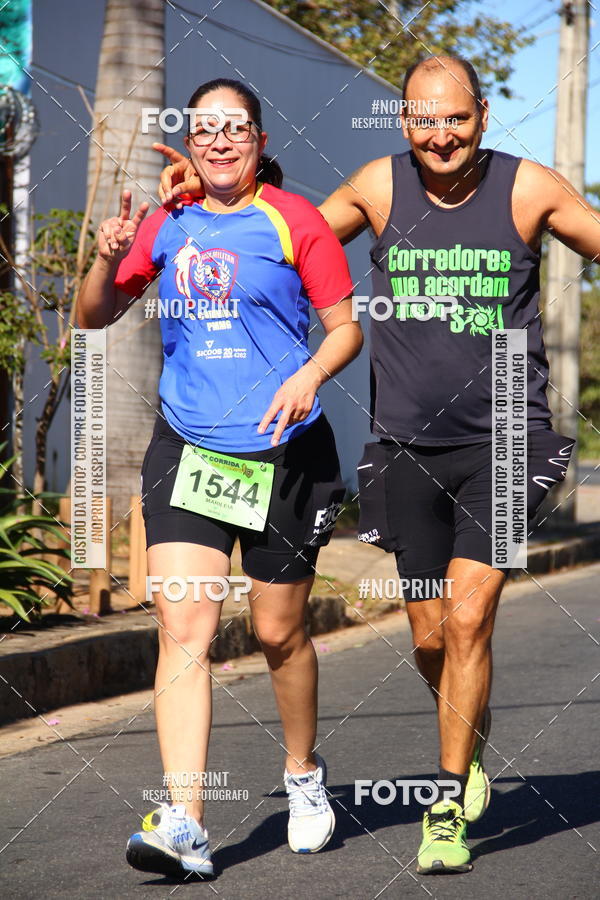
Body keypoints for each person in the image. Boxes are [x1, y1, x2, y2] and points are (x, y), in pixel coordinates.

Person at [155, 56, 599, 875]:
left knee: (468, 619)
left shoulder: (530, 188)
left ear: (484, 116)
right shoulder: (377, 187)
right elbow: (285, 240)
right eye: (424, 120)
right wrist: (202, 200)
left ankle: (445, 802)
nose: (442, 135)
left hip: (507, 436)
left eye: (457, 119)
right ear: (403, 124)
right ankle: (469, 728)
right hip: (403, 447)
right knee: (431, 637)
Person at [77, 77, 362, 879]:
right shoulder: (167, 222)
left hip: (284, 452)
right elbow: (94, 315)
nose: (221, 140)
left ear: (260, 141)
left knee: (277, 633)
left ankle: (304, 776)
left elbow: (345, 329)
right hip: (190, 448)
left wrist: (309, 374)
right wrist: (104, 260)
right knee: (184, 630)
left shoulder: (294, 219)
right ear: (191, 140)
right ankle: (186, 821)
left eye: (236, 127)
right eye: (207, 129)